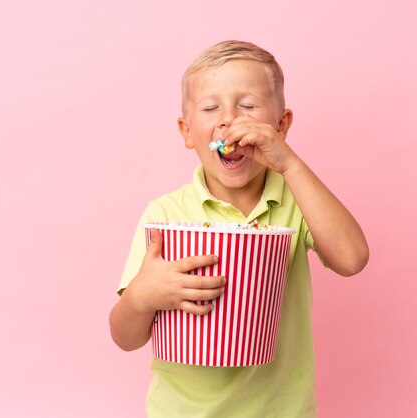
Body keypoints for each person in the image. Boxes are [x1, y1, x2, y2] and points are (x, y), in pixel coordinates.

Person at [109, 40, 369, 417]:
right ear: (186, 131)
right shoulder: (166, 213)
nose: (229, 118)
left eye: (247, 106)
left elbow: (352, 258)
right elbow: (124, 337)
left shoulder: (299, 202)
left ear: (280, 126)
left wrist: (290, 164)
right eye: (211, 108)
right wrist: (142, 295)